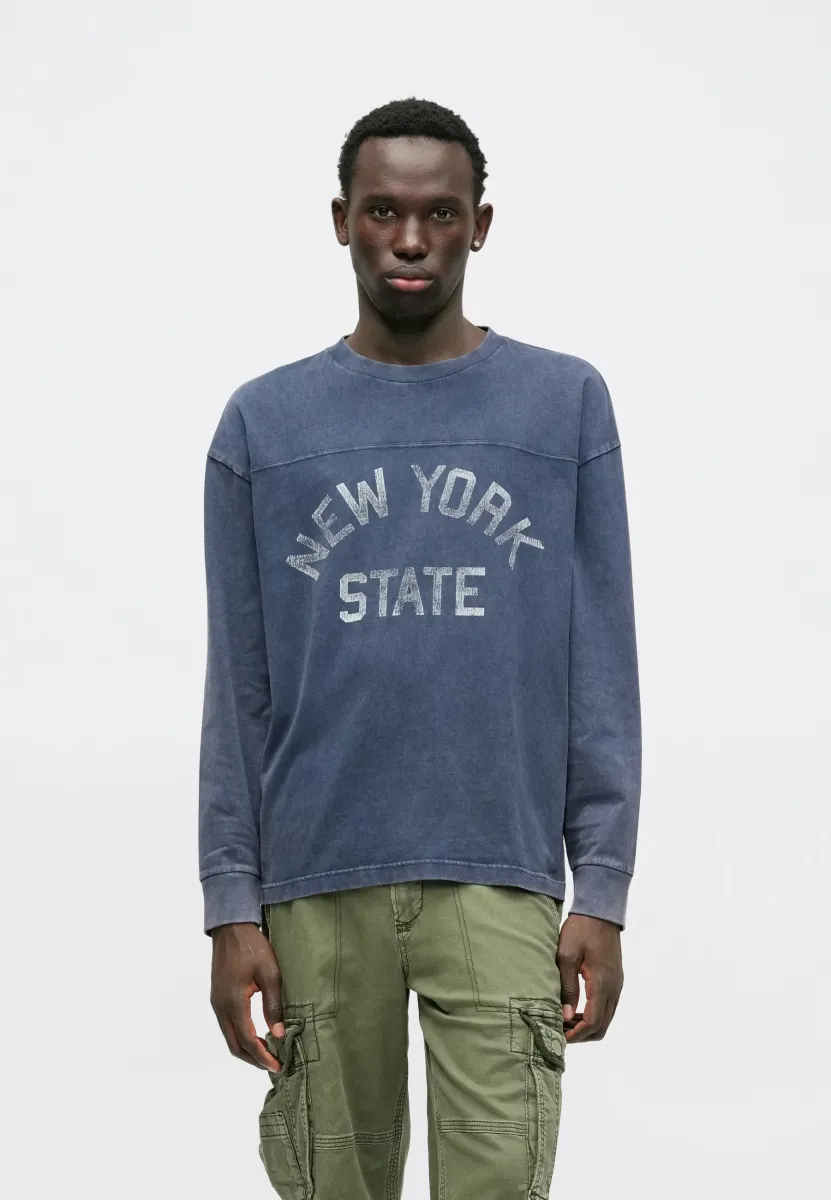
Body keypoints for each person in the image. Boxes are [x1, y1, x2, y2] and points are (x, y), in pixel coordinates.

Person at [198, 96, 642, 1199]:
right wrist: (230, 904)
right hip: (315, 886)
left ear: (479, 225)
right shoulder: (264, 425)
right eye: (383, 211)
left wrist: (603, 886)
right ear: (340, 220)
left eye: (439, 213)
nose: (409, 239)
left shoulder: (561, 407)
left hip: (501, 879)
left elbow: (601, 667)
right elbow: (240, 686)